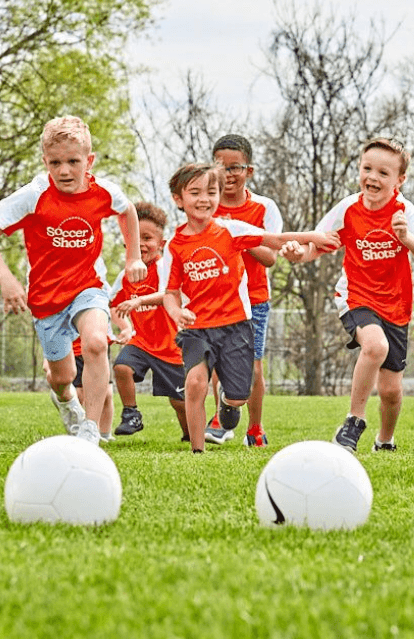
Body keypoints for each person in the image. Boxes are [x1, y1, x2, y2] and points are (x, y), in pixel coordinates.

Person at [0, 116, 141, 445]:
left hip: (87, 287)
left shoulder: (103, 193)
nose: (64, 171)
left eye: (73, 162)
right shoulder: (34, 195)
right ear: (45, 161)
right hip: (46, 298)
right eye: (56, 163)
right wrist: (7, 280)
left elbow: (128, 211)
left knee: (95, 342)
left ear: (88, 161)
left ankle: (91, 430)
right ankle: (65, 400)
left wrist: (133, 256)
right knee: (62, 377)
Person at [162, 163, 335, 453]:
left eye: (211, 192)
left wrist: (312, 237)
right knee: (194, 383)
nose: (204, 199)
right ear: (179, 200)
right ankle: (197, 451)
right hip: (197, 328)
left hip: (236, 325)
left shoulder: (231, 230)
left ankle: (229, 403)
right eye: (195, 193)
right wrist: (177, 312)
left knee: (240, 395)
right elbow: (169, 293)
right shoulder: (175, 245)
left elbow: (275, 241)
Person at [286, 137, 414, 453]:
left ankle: (384, 440)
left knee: (392, 392)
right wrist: (297, 253)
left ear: (400, 180)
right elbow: (317, 244)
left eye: (383, 173)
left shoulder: (404, 211)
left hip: (396, 305)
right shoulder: (348, 208)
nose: (372, 178)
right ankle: (354, 421)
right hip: (356, 296)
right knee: (374, 346)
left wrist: (405, 237)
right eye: (367, 169)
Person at [206, 134, 285, 448]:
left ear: (248, 171)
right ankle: (220, 421)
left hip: (253, 299)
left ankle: (255, 427)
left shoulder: (264, 208)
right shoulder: (205, 204)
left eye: (235, 167)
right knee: (216, 365)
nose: (228, 175)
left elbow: (270, 257)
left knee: (251, 366)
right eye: (221, 167)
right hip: (214, 297)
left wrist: (237, 234)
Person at [98, 202, 189, 440]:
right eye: (134, 238)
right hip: (142, 343)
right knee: (121, 367)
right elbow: (114, 305)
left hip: (172, 347)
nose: (140, 244)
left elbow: (169, 295)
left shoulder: (165, 268)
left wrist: (139, 302)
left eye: (147, 237)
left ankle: (191, 433)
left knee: (180, 403)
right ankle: (131, 414)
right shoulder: (126, 275)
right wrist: (126, 327)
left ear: (161, 243)